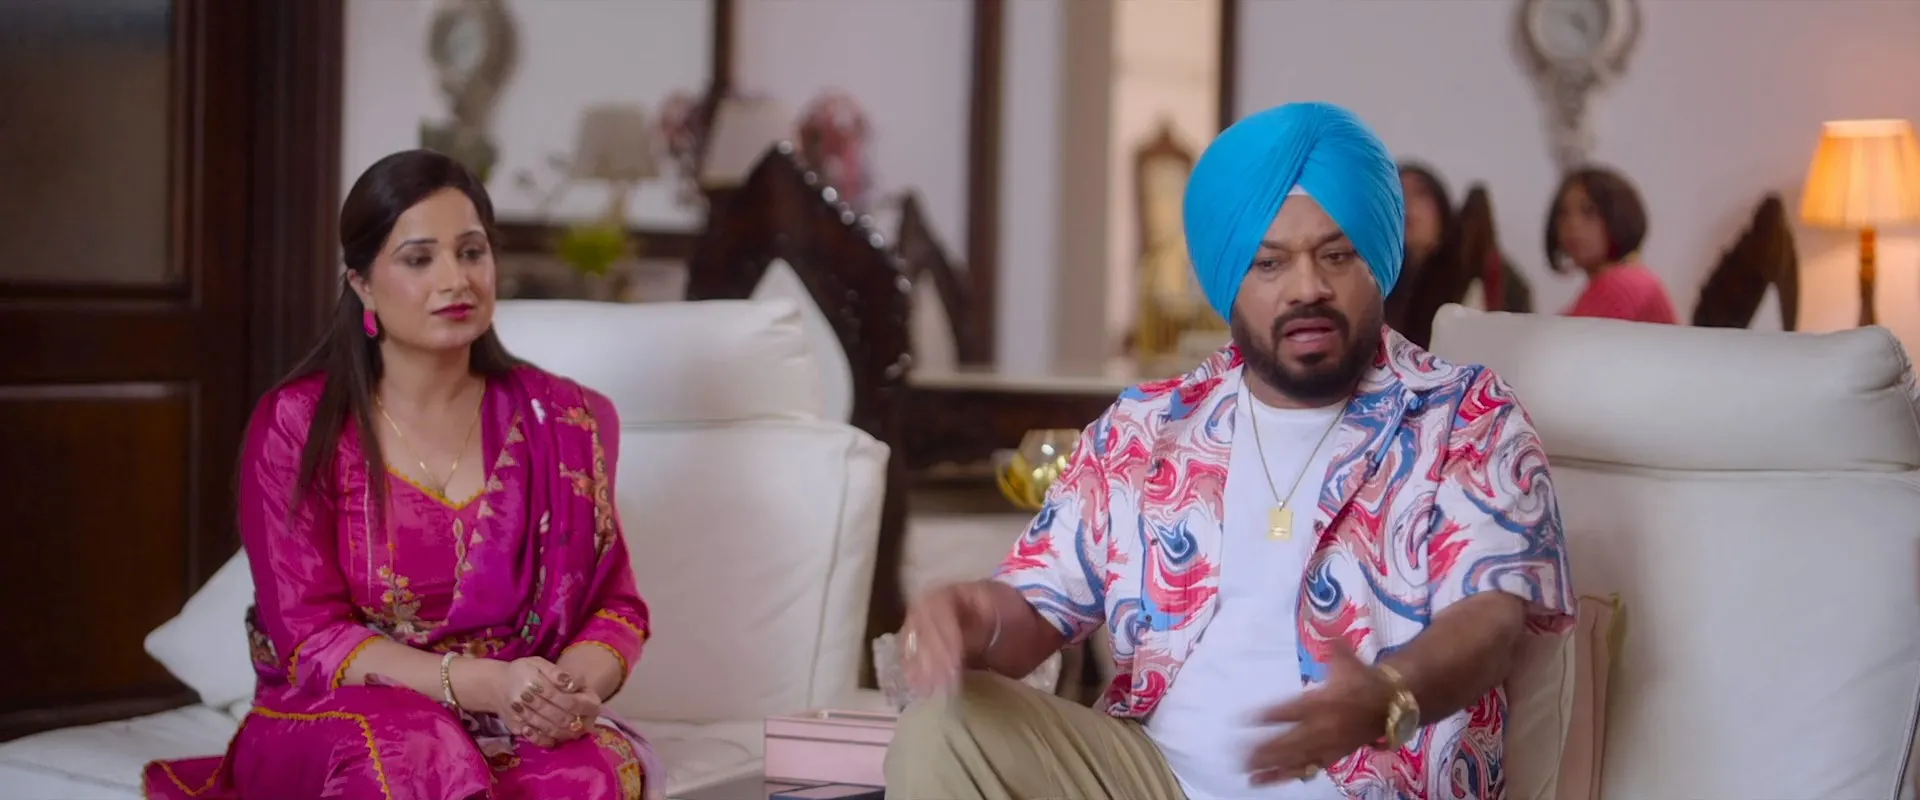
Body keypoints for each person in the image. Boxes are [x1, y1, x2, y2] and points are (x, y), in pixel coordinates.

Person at [884, 103, 1574, 799]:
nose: (1308, 287)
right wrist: (974, 615)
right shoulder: (1147, 428)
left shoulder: (1464, 415)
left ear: (1377, 263)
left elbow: (1491, 616)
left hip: (1375, 790)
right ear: (1229, 282)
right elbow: (1036, 610)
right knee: (942, 728)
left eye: (1337, 255)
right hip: (1156, 782)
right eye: (1269, 263)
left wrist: (1390, 694)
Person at [144, 150, 662, 800]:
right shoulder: (298, 424)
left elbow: (614, 607)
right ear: (361, 283)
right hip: (338, 718)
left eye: (471, 252)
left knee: (583, 772)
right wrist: (485, 684)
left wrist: (567, 692)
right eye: (419, 259)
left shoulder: (566, 420)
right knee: (414, 751)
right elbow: (310, 640)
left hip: (511, 716)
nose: (456, 279)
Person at [1387, 162, 1531, 347]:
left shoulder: (1473, 270)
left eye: (1420, 193)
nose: (1407, 204)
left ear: (1441, 205)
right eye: (1396, 194)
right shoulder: (1384, 284)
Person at [1548, 165, 1678, 324]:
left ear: (1619, 216)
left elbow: (1568, 338)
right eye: (1563, 213)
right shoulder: (1622, 278)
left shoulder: (1624, 283)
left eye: (1589, 211)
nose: (1572, 224)